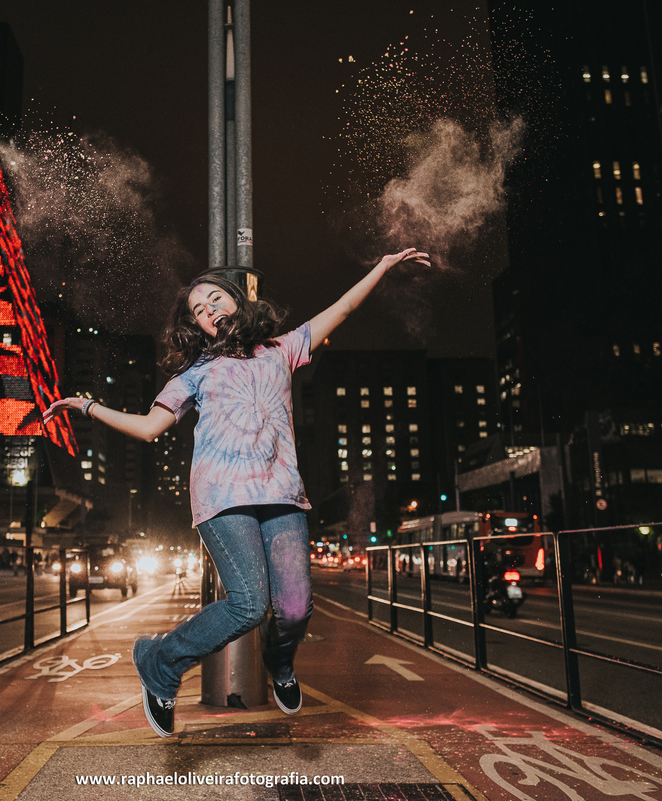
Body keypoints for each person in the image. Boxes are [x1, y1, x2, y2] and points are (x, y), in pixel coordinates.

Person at [44, 247, 429, 738]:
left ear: (237, 303)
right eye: (199, 312)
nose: (209, 312)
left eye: (215, 300)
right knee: (249, 604)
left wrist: (382, 267)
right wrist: (88, 405)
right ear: (198, 328)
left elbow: (344, 309)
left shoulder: (283, 349)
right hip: (222, 498)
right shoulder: (195, 372)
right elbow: (147, 429)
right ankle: (159, 660)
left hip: (281, 494)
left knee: (294, 608)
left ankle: (280, 664)